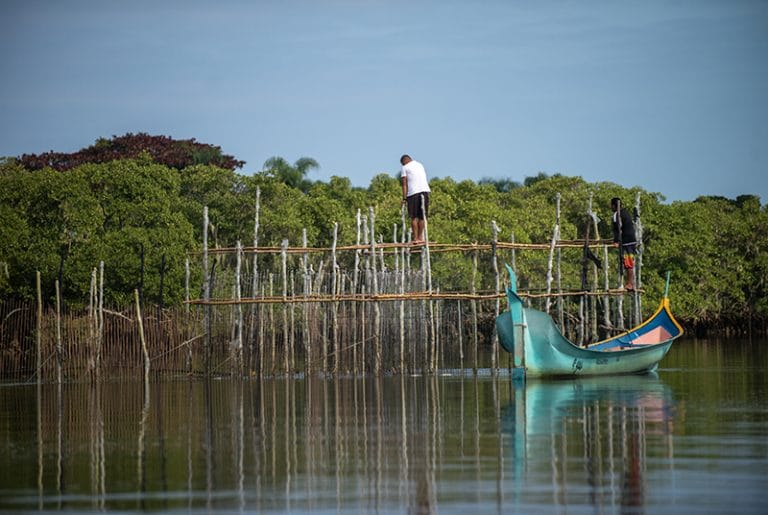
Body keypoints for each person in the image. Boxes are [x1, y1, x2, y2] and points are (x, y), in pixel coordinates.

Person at [400, 154, 431, 243]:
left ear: (404, 162)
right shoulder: (419, 164)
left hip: (413, 193)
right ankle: (421, 237)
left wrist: (404, 198)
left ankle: (416, 238)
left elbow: (404, 184)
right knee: (422, 216)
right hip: (425, 191)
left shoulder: (405, 167)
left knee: (414, 217)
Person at [611, 197, 637, 290]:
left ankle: (630, 284)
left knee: (628, 263)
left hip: (627, 242)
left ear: (614, 206)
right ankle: (630, 283)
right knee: (629, 262)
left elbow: (617, 230)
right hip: (631, 240)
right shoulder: (625, 212)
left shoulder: (616, 215)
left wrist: (616, 241)